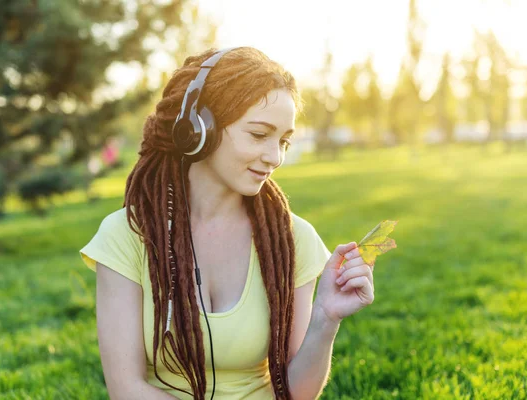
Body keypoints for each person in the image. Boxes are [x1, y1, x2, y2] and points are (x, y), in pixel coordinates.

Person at [79, 47, 376, 400]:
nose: (275, 157)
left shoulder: (294, 240)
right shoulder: (126, 236)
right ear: (198, 128)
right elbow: (126, 389)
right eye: (259, 134)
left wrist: (326, 320)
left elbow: (296, 393)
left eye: (283, 141)